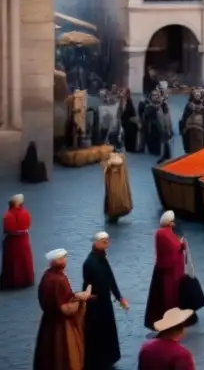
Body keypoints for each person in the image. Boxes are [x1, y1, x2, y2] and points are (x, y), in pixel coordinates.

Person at [33, 248, 89, 370]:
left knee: (47, 354)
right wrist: (80, 299)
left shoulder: (46, 276)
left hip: (47, 322)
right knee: (65, 353)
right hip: (62, 324)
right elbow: (67, 308)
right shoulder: (61, 279)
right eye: (63, 258)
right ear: (59, 261)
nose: (65, 260)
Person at [83, 231, 128, 370]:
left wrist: (120, 298)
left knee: (107, 330)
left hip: (104, 302)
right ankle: (96, 360)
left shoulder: (102, 259)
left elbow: (110, 279)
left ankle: (108, 358)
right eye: (104, 242)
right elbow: (89, 285)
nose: (107, 244)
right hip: (95, 304)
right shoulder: (89, 262)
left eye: (107, 241)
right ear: (96, 243)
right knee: (96, 332)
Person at [144, 211, 186, 331]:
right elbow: (172, 248)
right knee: (168, 296)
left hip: (172, 270)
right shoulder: (163, 234)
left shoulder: (166, 233)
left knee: (171, 295)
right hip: (169, 271)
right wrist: (180, 245)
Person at [1, 193, 34, 289]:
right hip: (23, 239)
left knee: (12, 261)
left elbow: (7, 229)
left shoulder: (8, 215)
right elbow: (28, 225)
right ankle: (26, 280)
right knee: (25, 260)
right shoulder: (25, 213)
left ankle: (13, 281)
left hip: (12, 242)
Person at [103, 152, 133, 223]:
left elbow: (106, 171)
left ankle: (112, 213)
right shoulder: (121, 168)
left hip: (113, 184)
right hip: (118, 183)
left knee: (112, 196)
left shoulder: (110, 168)